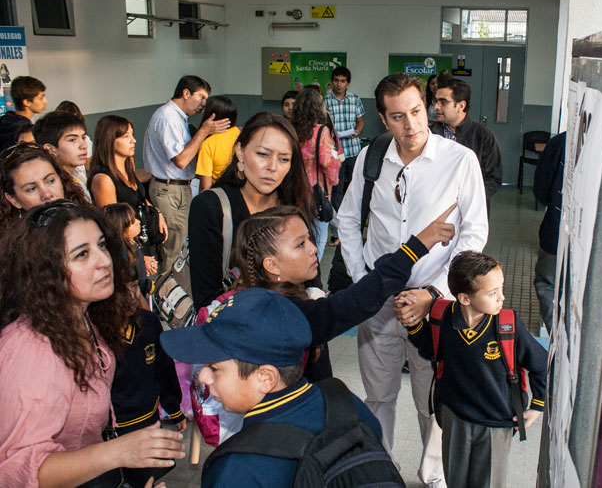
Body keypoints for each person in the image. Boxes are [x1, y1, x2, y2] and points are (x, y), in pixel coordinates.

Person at [336, 72, 489, 487]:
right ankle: (380, 472)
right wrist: (362, 277)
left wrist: (435, 293)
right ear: (384, 119)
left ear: (427, 106)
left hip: (433, 305)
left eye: (418, 111)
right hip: (378, 302)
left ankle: (433, 475)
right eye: (398, 116)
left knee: (431, 401)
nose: (412, 125)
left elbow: (474, 233)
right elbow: (348, 220)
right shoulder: (372, 159)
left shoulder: (460, 161)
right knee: (379, 396)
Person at [0, 200, 185, 487]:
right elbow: (17, 471)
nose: (104, 261)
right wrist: (118, 452)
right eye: (81, 254)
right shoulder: (31, 349)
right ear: (46, 272)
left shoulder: (86, 317)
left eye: (101, 245)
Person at [159, 288, 384, 487]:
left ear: (266, 378)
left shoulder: (236, 470)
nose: (205, 376)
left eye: (215, 367)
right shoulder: (348, 404)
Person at [232, 202, 456, 382]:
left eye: (309, 239)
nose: (312, 249)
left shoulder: (257, 300)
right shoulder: (286, 315)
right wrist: (417, 245)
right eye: (300, 244)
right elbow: (355, 302)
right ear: (272, 265)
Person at [400, 251, 547, 488]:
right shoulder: (444, 317)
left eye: (501, 288)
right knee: (455, 479)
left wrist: (537, 406)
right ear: (465, 298)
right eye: (492, 293)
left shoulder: (507, 325)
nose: (502, 297)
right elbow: (432, 349)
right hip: (455, 417)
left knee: (488, 482)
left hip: (496, 423)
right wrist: (414, 326)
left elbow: (540, 364)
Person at [188, 112, 313, 310]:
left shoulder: (293, 205)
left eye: (284, 159)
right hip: (234, 330)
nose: (272, 167)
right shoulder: (211, 207)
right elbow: (206, 299)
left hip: (293, 322)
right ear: (240, 151)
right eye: (263, 154)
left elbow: (310, 275)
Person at [143, 75, 230, 272]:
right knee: (172, 249)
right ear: (185, 93)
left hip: (177, 189)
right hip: (169, 190)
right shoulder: (167, 118)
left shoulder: (179, 118)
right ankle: (166, 296)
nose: (203, 104)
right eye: (201, 97)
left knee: (180, 245)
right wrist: (204, 132)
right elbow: (181, 160)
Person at [90, 115, 167, 275]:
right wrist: (139, 255)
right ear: (109, 140)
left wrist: (156, 212)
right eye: (126, 137)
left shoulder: (127, 164)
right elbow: (112, 225)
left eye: (132, 134)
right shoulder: (103, 179)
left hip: (145, 238)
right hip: (129, 247)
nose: (133, 140)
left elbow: (137, 195)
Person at [431, 78, 503, 211]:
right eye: (436, 101)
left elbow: (493, 179)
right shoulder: (429, 134)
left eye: (443, 102)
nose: (436, 107)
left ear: (461, 105)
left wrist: (467, 201)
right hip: (434, 209)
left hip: (471, 210)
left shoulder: (484, 136)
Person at [292, 87, 343, 262]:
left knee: (295, 236)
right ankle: (311, 278)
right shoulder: (321, 132)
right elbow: (327, 162)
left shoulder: (290, 130)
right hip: (316, 192)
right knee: (319, 237)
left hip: (292, 190)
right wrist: (337, 165)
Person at [0, 142, 89, 230]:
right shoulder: (13, 243)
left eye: (51, 181)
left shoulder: (90, 223)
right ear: (14, 200)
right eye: (31, 189)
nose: (46, 194)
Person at [324, 66, 365, 244]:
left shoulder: (355, 99)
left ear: (348, 83)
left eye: (342, 81)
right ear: (331, 81)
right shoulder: (325, 101)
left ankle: (354, 225)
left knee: (355, 187)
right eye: (336, 80)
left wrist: (358, 131)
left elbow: (360, 121)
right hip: (335, 153)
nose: (339, 84)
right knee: (337, 190)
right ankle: (341, 228)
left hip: (353, 149)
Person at [532, 132, 565, 334]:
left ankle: (558, 340)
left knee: (548, 284)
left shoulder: (562, 142)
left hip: (558, 229)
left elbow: (541, 189)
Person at [32, 111, 92, 202]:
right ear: (50, 149)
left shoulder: (75, 174)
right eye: (72, 140)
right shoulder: (53, 189)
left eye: (83, 138)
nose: (83, 145)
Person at [196, 96, 240, 191]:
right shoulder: (241, 134)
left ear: (211, 116)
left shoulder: (208, 144)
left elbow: (205, 187)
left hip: (220, 195)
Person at [0, 76, 46, 151]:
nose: (45, 101)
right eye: (41, 98)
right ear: (27, 102)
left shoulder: (5, 121)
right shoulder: (23, 131)